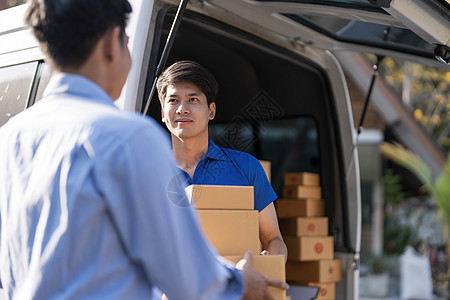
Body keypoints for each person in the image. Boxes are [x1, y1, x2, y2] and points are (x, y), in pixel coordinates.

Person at [0, 1, 288, 299]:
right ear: (113, 43)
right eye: (127, 44)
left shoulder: (8, 140)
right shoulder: (128, 138)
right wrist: (243, 284)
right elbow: (186, 274)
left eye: (194, 100)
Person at [156, 60, 288, 260]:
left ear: (211, 111)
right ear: (163, 114)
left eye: (193, 99)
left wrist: (268, 264)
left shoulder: (246, 167)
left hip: (236, 289)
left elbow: (273, 239)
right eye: (173, 100)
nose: (182, 109)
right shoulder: (147, 174)